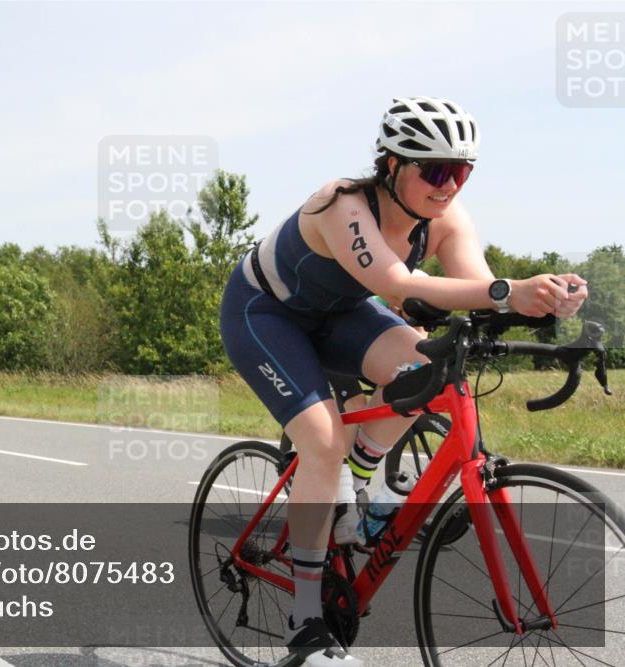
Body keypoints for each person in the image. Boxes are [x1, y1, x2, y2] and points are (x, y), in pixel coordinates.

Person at [218, 96, 587, 667]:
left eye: (461, 171)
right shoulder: (341, 202)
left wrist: (545, 303)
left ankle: (358, 485)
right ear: (392, 165)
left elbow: (483, 291)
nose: (450, 185)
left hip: (340, 314)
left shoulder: (447, 219)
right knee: (322, 442)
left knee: (425, 373)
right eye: (436, 171)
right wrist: (509, 291)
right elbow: (396, 282)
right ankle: (306, 624)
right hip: (265, 314)